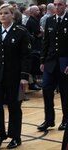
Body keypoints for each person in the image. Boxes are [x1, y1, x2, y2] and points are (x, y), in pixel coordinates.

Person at [0, 3, 31, 149]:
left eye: (6, 13)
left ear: (12, 15)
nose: (3, 16)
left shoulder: (21, 32)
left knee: (14, 107)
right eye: (0, 13)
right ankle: (0, 134)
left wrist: (24, 76)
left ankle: (15, 136)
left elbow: (26, 56)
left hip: (15, 77)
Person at [37, 0, 68, 132]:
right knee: (46, 89)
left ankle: (66, 120)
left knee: (65, 92)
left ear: (65, 6)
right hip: (50, 61)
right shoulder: (49, 20)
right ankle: (49, 120)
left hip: (65, 61)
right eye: (55, 5)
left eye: (59, 4)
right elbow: (46, 42)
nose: (56, 7)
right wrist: (42, 60)